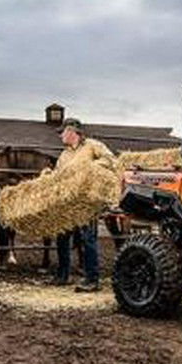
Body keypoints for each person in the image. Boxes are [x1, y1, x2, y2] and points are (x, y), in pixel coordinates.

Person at [52, 117, 109, 292]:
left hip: (86, 201)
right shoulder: (64, 155)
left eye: (62, 132)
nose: (61, 136)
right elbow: (57, 175)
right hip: (68, 202)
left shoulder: (92, 146)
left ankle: (92, 279)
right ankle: (63, 275)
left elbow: (110, 159)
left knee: (87, 239)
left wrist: (89, 166)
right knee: (62, 237)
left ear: (71, 132)